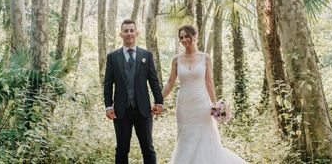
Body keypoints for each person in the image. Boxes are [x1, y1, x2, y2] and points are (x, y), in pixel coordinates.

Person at [161, 25, 248, 164]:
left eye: (186, 36)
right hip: (184, 106)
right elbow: (170, 82)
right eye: (181, 37)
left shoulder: (205, 58)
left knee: (205, 137)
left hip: (201, 103)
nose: (184, 40)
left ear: (194, 37)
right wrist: (159, 100)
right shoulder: (176, 60)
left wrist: (216, 105)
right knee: (185, 137)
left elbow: (209, 82)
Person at [103, 18, 164, 164]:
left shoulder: (146, 55)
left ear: (136, 33)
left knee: (148, 148)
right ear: (121, 34)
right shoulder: (113, 57)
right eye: (126, 31)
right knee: (122, 149)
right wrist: (108, 106)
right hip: (121, 111)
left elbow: (154, 80)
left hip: (143, 110)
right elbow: (108, 83)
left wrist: (159, 102)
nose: (129, 33)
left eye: (131, 30)